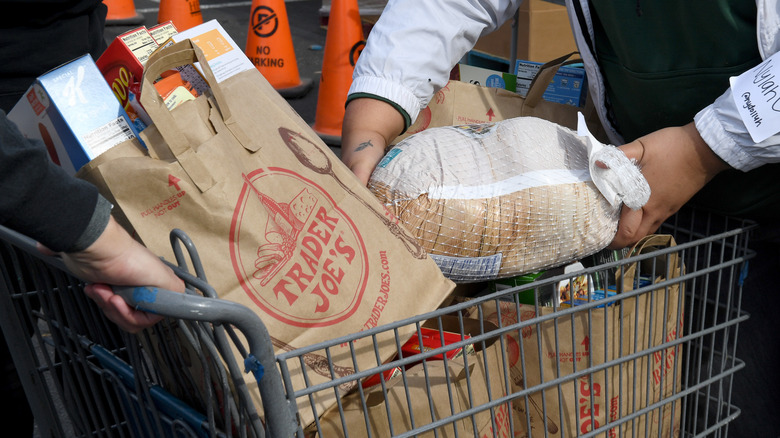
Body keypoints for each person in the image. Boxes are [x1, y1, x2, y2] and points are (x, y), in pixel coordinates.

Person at [340, 1, 780, 436]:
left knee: (733, 402)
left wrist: (705, 147)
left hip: (759, 198)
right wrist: (379, 105)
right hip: (645, 186)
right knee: (658, 393)